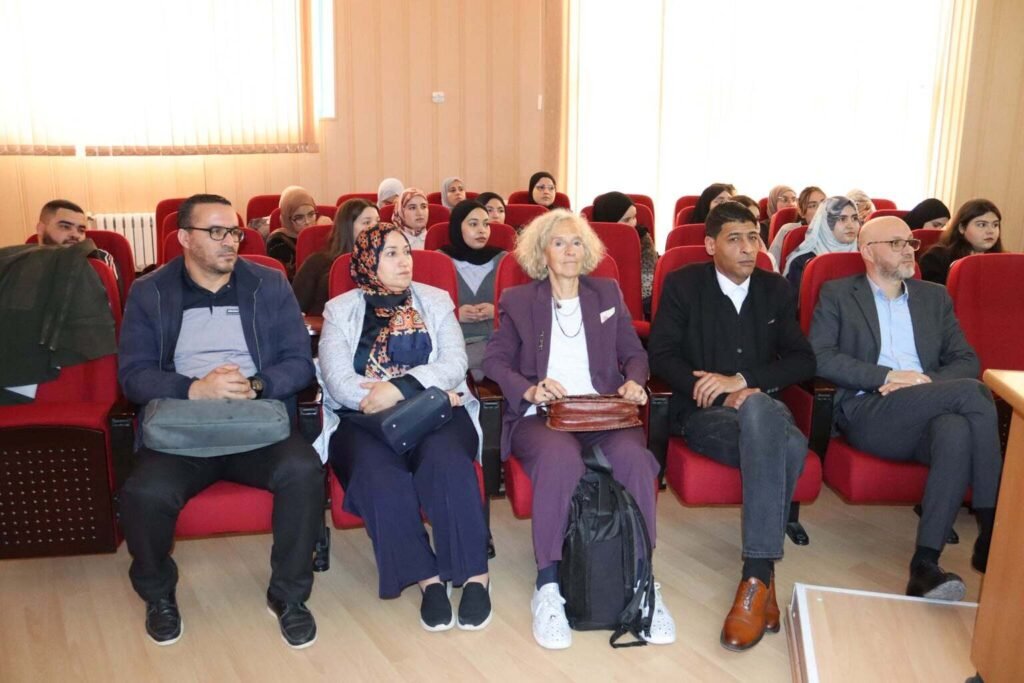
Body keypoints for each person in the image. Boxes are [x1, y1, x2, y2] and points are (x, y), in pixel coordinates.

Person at [117, 194, 324, 649]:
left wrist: (256, 385)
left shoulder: (269, 284)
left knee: (303, 471)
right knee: (144, 493)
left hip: (256, 425)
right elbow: (133, 376)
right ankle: (158, 593)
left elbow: (299, 363)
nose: (230, 241)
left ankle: (288, 595)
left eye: (233, 231)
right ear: (184, 238)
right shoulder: (151, 292)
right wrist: (194, 388)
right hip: (183, 430)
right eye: (215, 232)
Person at [482, 209, 675, 650]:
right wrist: (530, 389)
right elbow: (494, 360)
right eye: (559, 243)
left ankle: (643, 580)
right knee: (559, 460)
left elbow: (634, 353)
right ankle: (548, 584)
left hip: (603, 412)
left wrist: (635, 381)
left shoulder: (606, 293)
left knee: (636, 460)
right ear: (542, 253)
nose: (569, 251)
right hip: (544, 416)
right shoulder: (518, 300)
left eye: (576, 243)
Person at [648, 200, 815, 652]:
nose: (747, 248)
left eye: (754, 238)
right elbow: (661, 354)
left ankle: (756, 576)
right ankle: (764, 577)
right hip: (706, 416)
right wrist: (722, 393)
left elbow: (803, 359)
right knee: (790, 446)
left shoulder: (775, 288)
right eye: (735, 239)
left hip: (763, 407)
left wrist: (744, 381)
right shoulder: (684, 284)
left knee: (761, 411)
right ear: (710, 245)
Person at [809, 215, 1002, 601]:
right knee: (975, 394)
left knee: (955, 430)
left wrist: (924, 382)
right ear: (867, 251)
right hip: (871, 408)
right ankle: (992, 527)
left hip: (930, 402)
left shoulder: (934, 297)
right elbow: (821, 357)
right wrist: (888, 375)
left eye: (911, 243)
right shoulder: (838, 294)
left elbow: (966, 360)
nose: (909, 251)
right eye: (896, 243)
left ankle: (924, 564)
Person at [318, 222, 492, 632]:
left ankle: (475, 575)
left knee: (447, 463)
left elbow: (454, 363)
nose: (404, 261)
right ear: (367, 261)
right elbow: (338, 381)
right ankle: (427, 578)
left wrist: (398, 390)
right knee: (379, 476)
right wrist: (379, 399)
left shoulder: (435, 300)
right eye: (391, 253)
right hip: (363, 419)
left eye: (406, 252)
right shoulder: (339, 310)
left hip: (435, 413)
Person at [439, 200, 504, 379]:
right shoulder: (439, 261)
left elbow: (521, 308)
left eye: (486, 224)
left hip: (495, 341)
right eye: (473, 224)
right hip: (453, 343)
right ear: (457, 227)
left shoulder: (503, 259)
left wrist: (497, 311)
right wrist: (454, 314)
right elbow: (426, 311)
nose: (482, 230)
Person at [292, 199, 379, 315]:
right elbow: (294, 309)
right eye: (367, 222)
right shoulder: (317, 263)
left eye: (377, 222)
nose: (375, 228)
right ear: (348, 228)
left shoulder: (387, 263)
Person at [783, 196, 861, 301]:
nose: (850, 225)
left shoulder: (865, 257)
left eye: (855, 218)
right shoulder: (803, 263)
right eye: (842, 219)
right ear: (826, 223)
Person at [592, 191, 658, 313]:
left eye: (634, 217)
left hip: (637, 299)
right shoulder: (589, 240)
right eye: (627, 219)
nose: (633, 223)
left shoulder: (642, 238)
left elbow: (647, 280)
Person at [919, 199, 1003, 286]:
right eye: (982, 225)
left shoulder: (1003, 261)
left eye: (995, 225)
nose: (990, 231)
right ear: (962, 228)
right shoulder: (935, 259)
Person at [34, 199, 119, 281]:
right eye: (65, 227)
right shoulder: (27, 260)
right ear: (41, 229)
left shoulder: (100, 259)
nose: (75, 235)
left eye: (81, 230)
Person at [267, 186, 330, 279]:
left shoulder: (320, 233)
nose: (307, 221)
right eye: (299, 217)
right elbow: (293, 277)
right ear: (287, 219)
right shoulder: (277, 241)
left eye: (311, 214)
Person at [768, 185, 825, 265]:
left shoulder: (839, 231)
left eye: (824, 204)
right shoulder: (788, 230)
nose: (821, 209)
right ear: (801, 212)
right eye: (812, 206)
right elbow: (772, 264)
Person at [734, 194, 779, 271]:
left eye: (757, 219)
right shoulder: (725, 255)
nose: (756, 224)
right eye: (750, 219)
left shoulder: (768, 257)